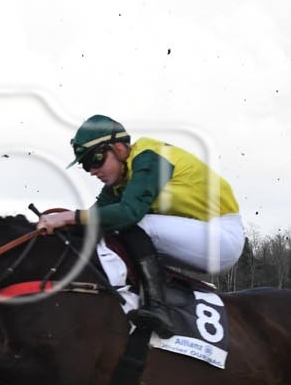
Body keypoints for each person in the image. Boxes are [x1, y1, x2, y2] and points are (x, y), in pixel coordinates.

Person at [36, 115, 245, 337]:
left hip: (221, 238)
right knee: (107, 230)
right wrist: (47, 228)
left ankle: (158, 307)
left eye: (95, 160)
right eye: (86, 166)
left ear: (119, 148)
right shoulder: (121, 181)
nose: (92, 171)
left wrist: (68, 217)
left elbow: (128, 213)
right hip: (199, 237)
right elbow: (93, 221)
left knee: (132, 223)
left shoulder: (149, 157)